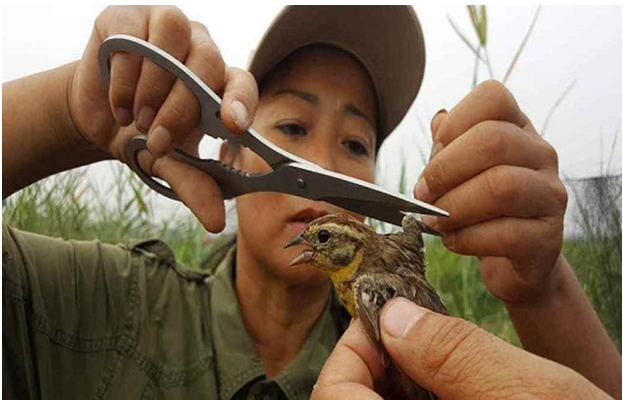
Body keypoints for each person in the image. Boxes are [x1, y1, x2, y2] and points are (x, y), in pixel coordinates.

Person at [2, 5, 620, 400]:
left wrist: (541, 291)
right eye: (293, 130)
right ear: (234, 153)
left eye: (354, 142)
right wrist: (69, 114)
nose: (321, 166)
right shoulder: (110, 300)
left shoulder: (398, 340)